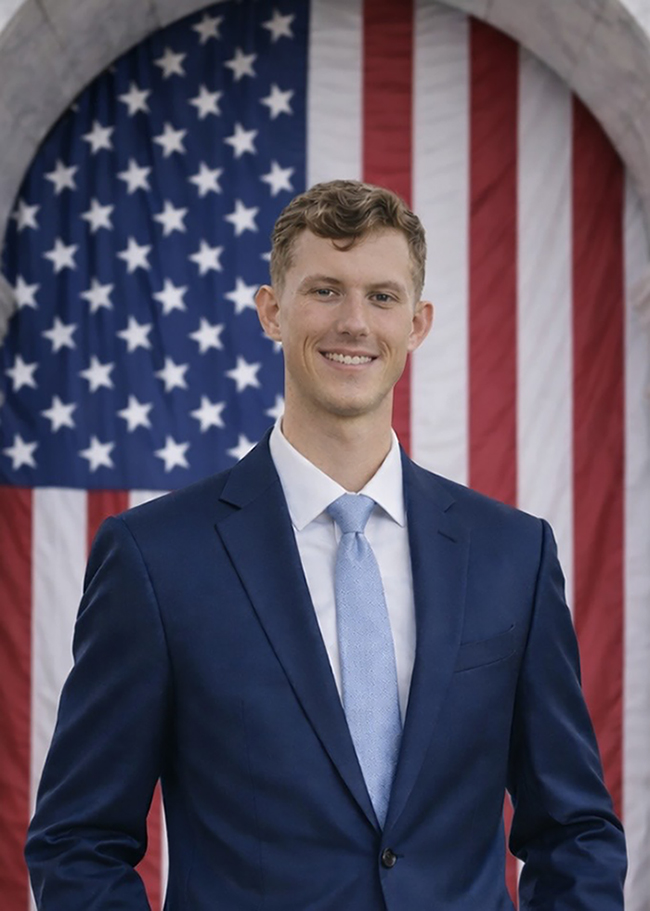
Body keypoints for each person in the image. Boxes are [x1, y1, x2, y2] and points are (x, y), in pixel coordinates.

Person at [26, 180, 626, 909]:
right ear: (272, 311)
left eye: (381, 296)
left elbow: (574, 829)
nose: (353, 322)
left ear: (418, 322)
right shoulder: (154, 558)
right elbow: (79, 839)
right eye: (324, 291)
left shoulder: (512, 554)